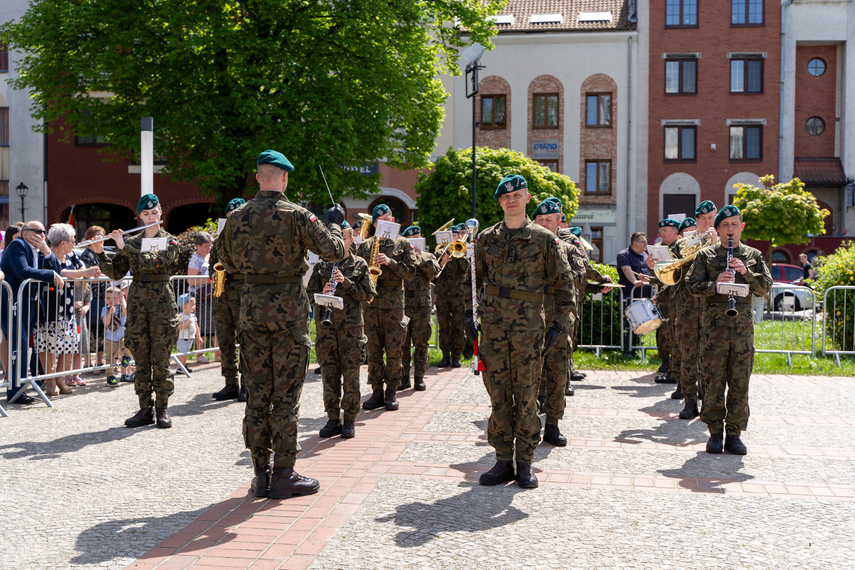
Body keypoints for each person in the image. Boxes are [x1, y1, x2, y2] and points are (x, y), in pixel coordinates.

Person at [216, 149, 345, 500]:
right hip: (288, 310)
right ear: (284, 178)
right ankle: (284, 473)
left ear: (259, 177)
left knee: (257, 394)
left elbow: (223, 259)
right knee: (285, 395)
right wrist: (334, 221)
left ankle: (260, 475)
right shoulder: (298, 215)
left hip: (251, 307)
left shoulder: (236, 217)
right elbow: (335, 251)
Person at [466, 174, 574, 489]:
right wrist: (467, 315)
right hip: (494, 330)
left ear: (526, 198)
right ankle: (502, 461)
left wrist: (557, 325)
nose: (511, 200)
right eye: (505, 197)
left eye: (518, 195)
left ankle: (525, 463)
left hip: (530, 330)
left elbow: (564, 287)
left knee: (527, 397)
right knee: (499, 397)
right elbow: (472, 282)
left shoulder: (544, 239)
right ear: (500, 202)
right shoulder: (485, 239)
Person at [686, 205, 772, 455]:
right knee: (712, 381)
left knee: (739, 382)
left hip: (742, 330)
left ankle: (734, 433)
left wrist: (746, 272)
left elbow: (765, 287)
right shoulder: (706, 255)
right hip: (714, 330)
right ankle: (714, 432)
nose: (730, 229)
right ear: (718, 229)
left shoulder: (753, 255)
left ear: (742, 227)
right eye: (725, 225)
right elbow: (692, 285)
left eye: (734, 224)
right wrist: (715, 284)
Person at [92, 194, 184, 429]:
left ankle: (162, 409)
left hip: (162, 306)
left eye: (155, 213)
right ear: (140, 216)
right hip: (137, 307)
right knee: (141, 359)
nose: (151, 217)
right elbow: (116, 273)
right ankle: (145, 409)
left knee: (161, 359)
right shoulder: (133, 241)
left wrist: (124, 247)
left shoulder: (170, 241)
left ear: (161, 213)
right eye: (146, 214)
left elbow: (153, 263)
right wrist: (101, 252)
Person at [307, 221, 374, 438]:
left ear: (350, 240)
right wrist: (322, 294)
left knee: (351, 375)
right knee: (329, 375)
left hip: (351, 330)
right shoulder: (321, 266)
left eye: (342, 238)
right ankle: (332, 419)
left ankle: (350, 419)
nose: (338, 243)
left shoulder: (360, 265)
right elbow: (308, 296)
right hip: (326, 331)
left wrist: (345, 282)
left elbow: (368, 295)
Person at [356, 203, 418, 412]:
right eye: (380, 219)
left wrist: (390, 262)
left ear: (392, 220)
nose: (385, 221)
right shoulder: (365, 246)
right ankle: (376, 392)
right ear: (374, 224)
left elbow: (410, 273)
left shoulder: (402, 244)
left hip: (393, 305)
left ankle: (391, 391)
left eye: (388, 218)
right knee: (373, 350)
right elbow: (358, 275)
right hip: (372, 305)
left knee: (394, 350)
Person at [532, 198, 580, 446]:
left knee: (557, 375)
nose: (544, 224)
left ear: (558, 222)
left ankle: (552, 424)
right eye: (539, 220)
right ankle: (530, 424)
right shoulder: (526, 247)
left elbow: (577, 282)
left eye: (549, 220)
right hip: (529, 322)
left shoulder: (570, 248)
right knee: (531, 376)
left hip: (558, 324)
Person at [1, 221, 64, 405]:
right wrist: (50, 275)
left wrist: (47, 252)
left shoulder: (39, 250)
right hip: (13, 304)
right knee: (17, 347)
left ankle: (19, 389)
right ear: (25, 233)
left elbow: (57, 271)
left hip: (30, 305)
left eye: (44, 232)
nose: (41, 235)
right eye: (37, 231)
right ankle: (15, 391)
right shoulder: (17, 245)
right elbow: (23, 271)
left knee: (23, 348)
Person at [674, 202, 719, 420]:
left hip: (713, 309)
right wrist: (654, 264)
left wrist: (713, 245)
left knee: (711, 357)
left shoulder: (725, 245)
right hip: (687, 309)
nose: (708, 222)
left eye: (711, 217)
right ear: (697, 220)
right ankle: (690, 401)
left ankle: (708, 401)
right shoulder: (683, 243)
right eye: (703, 218)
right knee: (688, 356)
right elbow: (669, 272)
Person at [562, 225, 614, 388]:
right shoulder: (568, 243)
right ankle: (564, 377)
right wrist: (602, 278)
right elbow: (585, 268)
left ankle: (568, 370)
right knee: (566, 339)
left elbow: (581, 281)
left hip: (575, 299)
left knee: (570, 339)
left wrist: (597, 288)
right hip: (569, 302)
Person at [210, 199, 247, 402]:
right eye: (230, 212)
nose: (232, 215)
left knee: (246, 340)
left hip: (242, 291)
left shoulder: (250, 237)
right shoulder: (219, 240)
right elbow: (211, 264)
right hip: (223, 293)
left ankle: (246, 384)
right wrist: (215, 277)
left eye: (237, 212)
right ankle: (230, 383)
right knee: (225, 340)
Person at [400, 226, 439, 391]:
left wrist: (421, 258)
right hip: (403, 304)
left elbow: (435, 272)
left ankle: (419, 377)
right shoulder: (402, 257)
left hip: (422, 306)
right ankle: (403, 377)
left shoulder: (428, 256)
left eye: (417, 237)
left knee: (421, 342)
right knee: (403, 343)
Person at [648, 219, 681, 388]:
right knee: (663, 333)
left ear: (676, 232)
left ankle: (675, 369)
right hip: (664, 298)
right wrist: (650, 270)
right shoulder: (660, 248)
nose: (662, 233)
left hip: (676, 299)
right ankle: (666, 362)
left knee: (674, 335)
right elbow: (662, 276)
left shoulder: (680, 248)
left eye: (666, 230)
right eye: (661, 230)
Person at [434, 224, 468, 368]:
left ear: (458, 237)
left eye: (454, 236)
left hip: (458, 294)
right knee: (444, 325)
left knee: (458, 325)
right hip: (442, 294)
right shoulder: (439, 253)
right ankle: (445, 355)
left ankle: (456, 356)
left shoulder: (462, 251)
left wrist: (457, 255)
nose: (451, 239)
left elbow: (466, 269)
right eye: (449, 237)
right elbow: (433, 274)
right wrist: (442, 262)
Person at [617, 232, 654, 357]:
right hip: (629, 294)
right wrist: (635, 281)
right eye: (643, 241)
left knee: (640, 323)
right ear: (635, 243)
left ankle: (635, 348)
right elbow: (627, 270)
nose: (646, 244)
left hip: (644, 295)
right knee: (629, 323)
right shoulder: (624, 255)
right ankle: (627, 350)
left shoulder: (645, 255)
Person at [79, 225, 107, 373]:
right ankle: (88, 363)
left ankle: (99, 362)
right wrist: (100, 277)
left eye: (102, 235)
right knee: (90, 330)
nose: (100, 238)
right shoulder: (86, 255)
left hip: (103, 296)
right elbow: (87, 276)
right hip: (91, 296)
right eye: (97, 236)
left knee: (101, 329)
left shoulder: (101, 253)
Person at [187, 231, 216, 364]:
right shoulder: (195, 259)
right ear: (198, 246)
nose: (208, 249)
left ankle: (218, 353)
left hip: (211, 295)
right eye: (205, 246)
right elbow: (191, 280)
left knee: (215, 325)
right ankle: (200, 354)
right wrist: (210, 280)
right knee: (201, 326)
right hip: (198, 297)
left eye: (210, 246)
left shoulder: (209, 256)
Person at [102, 286, 132, 386]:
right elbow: (106, 323)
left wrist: (123, 299)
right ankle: (110, 376)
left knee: (129, 344)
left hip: (122, 334)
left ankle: (126, 357)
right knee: (109, 357)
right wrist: (110, 313)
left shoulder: (121, 306)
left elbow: (126, 312)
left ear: (118, 298)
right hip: (110, 337)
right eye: (108, 298)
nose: (111, 300)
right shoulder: (104, 309)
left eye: (114, 297)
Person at [176, 294, 203, 368]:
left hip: (191, 338)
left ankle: (184, 366)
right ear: (184, 306)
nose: (194, 306)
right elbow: (179, 327)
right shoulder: (180, 316)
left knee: (186, 354)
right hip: (182, 338)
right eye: (192, 305)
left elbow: (197, 327)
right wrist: (187, 323)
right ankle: (180, 367)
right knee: (182, 354)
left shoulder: (193, 316)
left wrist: (198, 337)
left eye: (194, 304)